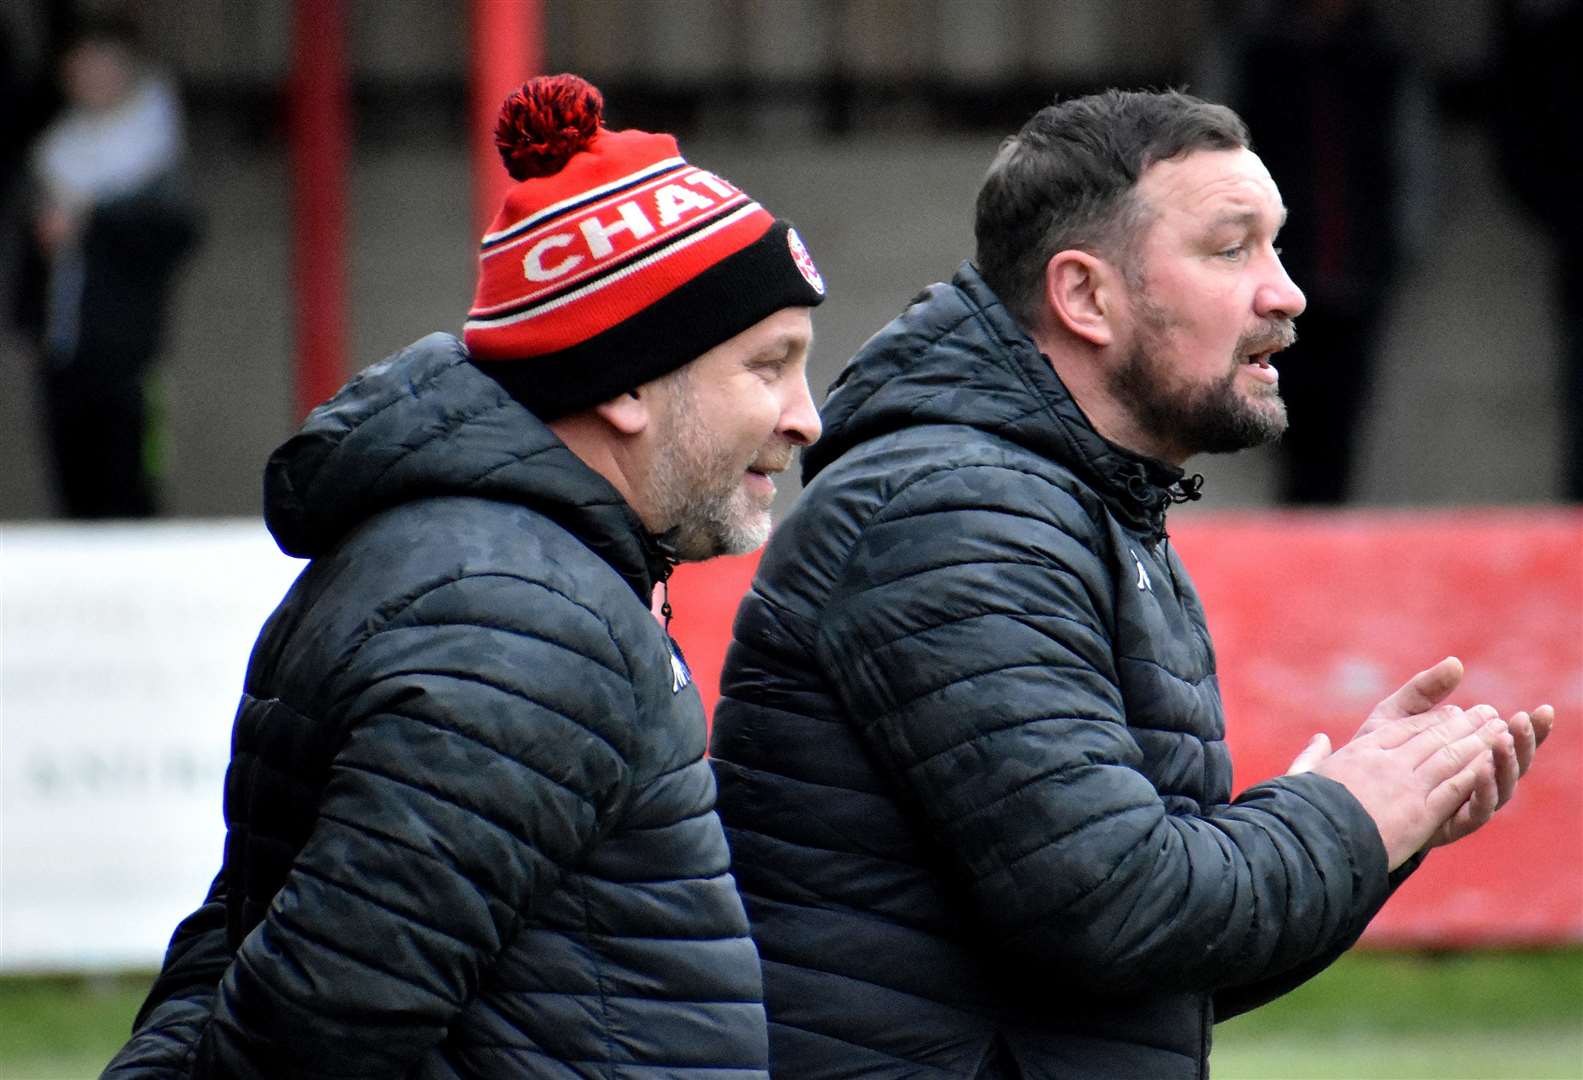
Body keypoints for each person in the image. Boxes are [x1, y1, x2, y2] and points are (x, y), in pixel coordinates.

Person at [708, 89, 1552, 1078]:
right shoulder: (957, 517)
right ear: (1084, 297)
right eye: (1230, 249)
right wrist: (1346, 815)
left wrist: (1378, 823)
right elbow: (1114, 907)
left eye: (1276, 248)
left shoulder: (1079, 506)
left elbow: (1151, 976)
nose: (1285, 293)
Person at [102, 72, 826, 1078]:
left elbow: (252, 941)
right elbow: (317, 1029)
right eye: (766, 365)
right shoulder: (521, 623)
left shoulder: (494, 574)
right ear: (623, 379)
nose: (805, 417)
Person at [20, 13, 199, 518]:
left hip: (131, 351)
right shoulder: (56, 149)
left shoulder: (153, 146)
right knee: (72, 483)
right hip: (63, 345)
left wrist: (92, 219)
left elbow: (177, 231)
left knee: (132, 479)